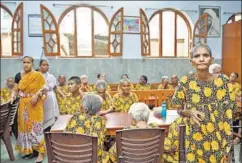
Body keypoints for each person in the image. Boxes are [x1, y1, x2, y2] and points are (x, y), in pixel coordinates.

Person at [163, 43, 237, 162]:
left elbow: (232, 110)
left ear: (211, 60)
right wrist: (189, 112)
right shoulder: (186, 81)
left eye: (205, 55)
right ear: (191, 61)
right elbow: (179, 109)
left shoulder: (224, 81)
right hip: (195, 135)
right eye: (197, 56)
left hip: (219, 134)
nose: (201, 59)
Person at [9, 56, 46, 163]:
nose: (26, 64)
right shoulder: (18, 76)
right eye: (24, 62)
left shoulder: (38, 75)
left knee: (36, 127)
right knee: (25, 127)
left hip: (35, 105)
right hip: (23, 105)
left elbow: (44, 88)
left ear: (32, 64)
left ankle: (41, 153)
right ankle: (29, 151)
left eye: (28, 62)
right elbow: (15, 90)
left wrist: (37, 95)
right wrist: (12, 96)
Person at [65, 94, 110, 163]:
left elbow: (65, 133)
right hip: (91, 158)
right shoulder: (99, 120)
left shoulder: (74, 116)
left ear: (85, 108)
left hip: (70, 156)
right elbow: (101, 138)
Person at [39, 59, 60, 131]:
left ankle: (49, 135)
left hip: (51, 99)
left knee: (51, 118)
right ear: (40, 66)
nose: (46, 66)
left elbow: (55, 88)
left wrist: (63, 95)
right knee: (42, 118)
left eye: (47, 65)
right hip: (41, 98)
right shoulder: (37, 76)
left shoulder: (51, 76)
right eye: (44, 65)